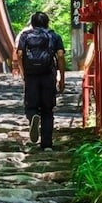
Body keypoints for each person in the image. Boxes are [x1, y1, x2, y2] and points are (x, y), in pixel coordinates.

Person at [15, 10, 66, 150]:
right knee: (48, 110)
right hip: (48, 75)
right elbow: (60, 56)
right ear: (47, 22)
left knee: (31, 106)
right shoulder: (54, 36)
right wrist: (62, 77)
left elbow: (19, 54)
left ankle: (32, 118)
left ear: (32, 23)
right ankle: (47, 145)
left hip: (31, 75)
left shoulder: (25, 35)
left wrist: (23, 71)